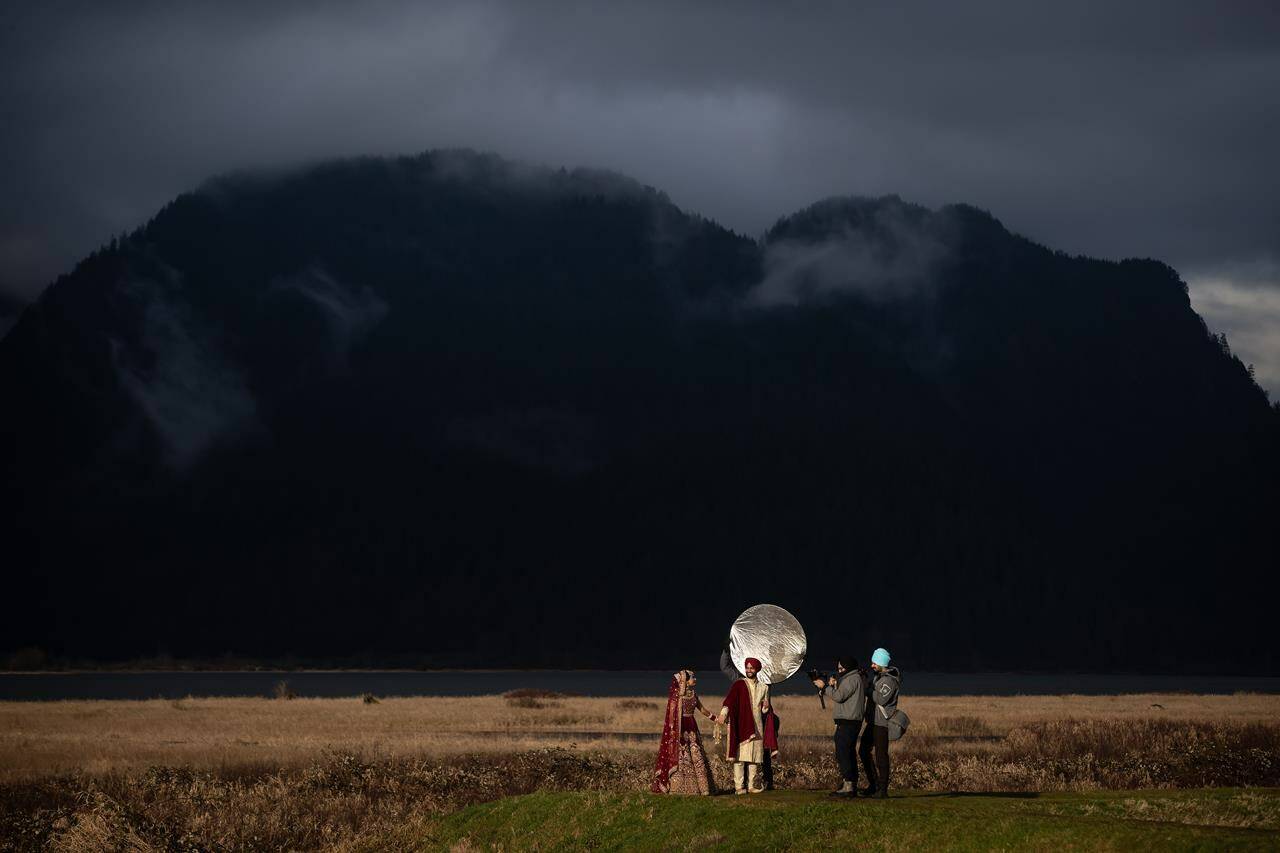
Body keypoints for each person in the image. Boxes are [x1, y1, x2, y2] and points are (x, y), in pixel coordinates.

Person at [720, 645, 780, 789]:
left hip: (758, 724)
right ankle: (739, 787)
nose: (749, 670)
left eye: (752, 668)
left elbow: (765, 710)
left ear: (757, 669)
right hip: (743, 723)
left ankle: (752, 786)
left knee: (754, 757)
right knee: (740, 757)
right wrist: (723, 713)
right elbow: (730, 700)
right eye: (747, 667)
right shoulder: (739, 683)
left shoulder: (764, 687)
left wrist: (766, 708)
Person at [651, 670, 719, 795]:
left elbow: (702, 709)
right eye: (692, 677)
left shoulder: (693, 694)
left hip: (692, 726)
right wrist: (674, 732)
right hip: (680, 729)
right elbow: (672, 716)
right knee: (682, 755)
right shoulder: (677, 696)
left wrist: (715, 718)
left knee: (695, 754)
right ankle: (678, 788)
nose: (695, 679)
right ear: (685, 682)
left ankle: (702, 789)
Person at [812, 655, 866, 797]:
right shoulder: (854, 678)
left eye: (841, 668)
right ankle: (850, 784)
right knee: (849, 752)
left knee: (843, 753)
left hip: (847, 722)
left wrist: (824, 687)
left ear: (848, 667)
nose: (839, 670)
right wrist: (833, 685)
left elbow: (839, 697)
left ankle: (848, 785)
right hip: (850, 721)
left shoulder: (851, 679)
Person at [859, 647, 900, 798]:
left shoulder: (889, 681)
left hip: (882, 723)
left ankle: (882, 790)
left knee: (881, 756)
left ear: (881, 662)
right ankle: (874, 784)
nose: (872, 666)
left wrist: (868, 688)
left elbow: (881, 698)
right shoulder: (878, 678)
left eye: (874, 663)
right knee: (863, 751)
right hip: (872, 722)